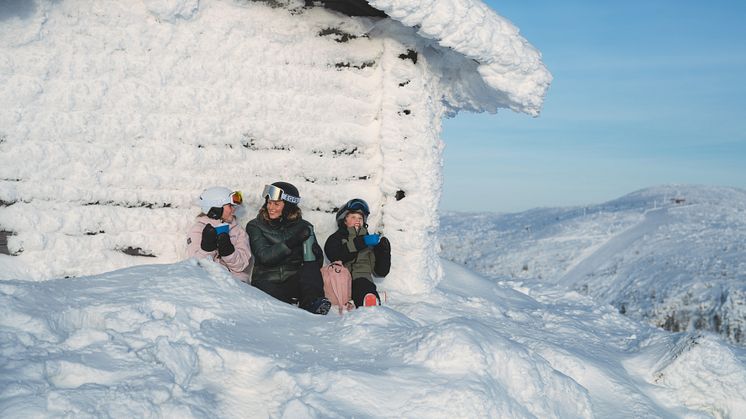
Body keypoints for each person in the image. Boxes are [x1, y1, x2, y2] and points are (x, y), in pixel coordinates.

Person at [245, 181, 331, 315]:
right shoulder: (255, 226)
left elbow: (313, 264)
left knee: (310, 268)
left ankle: (313, 303)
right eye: (269, 202)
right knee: (282, 307)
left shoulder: (304, 226)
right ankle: (292, 307)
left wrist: (316, 253)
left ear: (288, 206)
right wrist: (291, 242)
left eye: (276, 204)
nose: (271, 207)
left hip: (292, 278)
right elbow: (264, 256)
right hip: (267, 279)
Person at [324, 198, 390, 307]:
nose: (358, 220)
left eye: (360, 218)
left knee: (363, 285)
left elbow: (380, 272)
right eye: (353, 217)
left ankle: (369, 300)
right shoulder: (336, 238)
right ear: (344, 220)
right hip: (341, 279)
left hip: (362, 279)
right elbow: (335, 256)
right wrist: (360, 242)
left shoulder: (370, 242)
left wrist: (384, 252)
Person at [187, 186, 253, 283]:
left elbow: (242, 265)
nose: (233, 210)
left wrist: (228, 252)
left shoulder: (238, 231)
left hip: (238, 286)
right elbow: (196, 266)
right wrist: (207, 248)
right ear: (216, 209)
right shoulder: (198, 230)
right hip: (212, 285)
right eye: (230, 206)